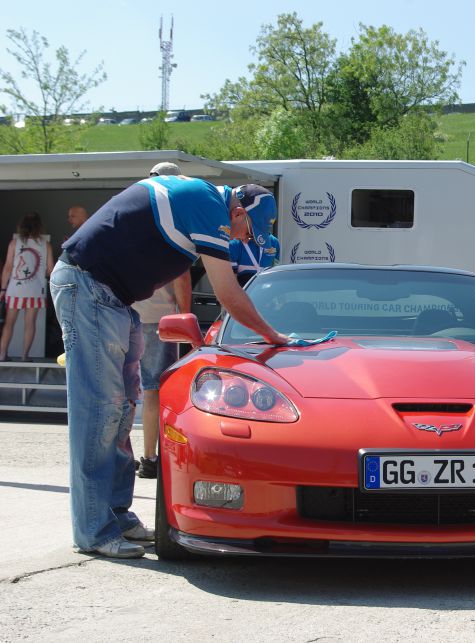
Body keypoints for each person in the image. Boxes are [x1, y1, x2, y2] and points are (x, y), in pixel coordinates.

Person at [51, 175, 288, 559]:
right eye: (246, 232)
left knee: (122, 412)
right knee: (101, 412)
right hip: (89, 289)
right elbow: (228, 294)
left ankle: (117, 516)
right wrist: (275, 336)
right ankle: (93, 530)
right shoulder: (208, 204)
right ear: (238, 211)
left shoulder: (203, 202)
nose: (242, 239)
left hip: (112, 297)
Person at [133, 161, 192, 479]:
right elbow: (181, 279)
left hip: (128, 315)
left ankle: (123, 455)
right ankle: (150, 459)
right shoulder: (175, 227)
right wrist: (185, 318)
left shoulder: (134, 223)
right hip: (159, 320)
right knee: (155, 389)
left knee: (128, 389)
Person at [0, 212, 55, 361]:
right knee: (30, 324)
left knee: (9, 323)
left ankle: (2, 354)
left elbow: (7, 267)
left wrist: (3, 289)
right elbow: (51, 270)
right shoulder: (45, 245)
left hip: (14, 290)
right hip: (35, 291)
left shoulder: (15, 243)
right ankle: (25, 356)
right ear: (39, 226)